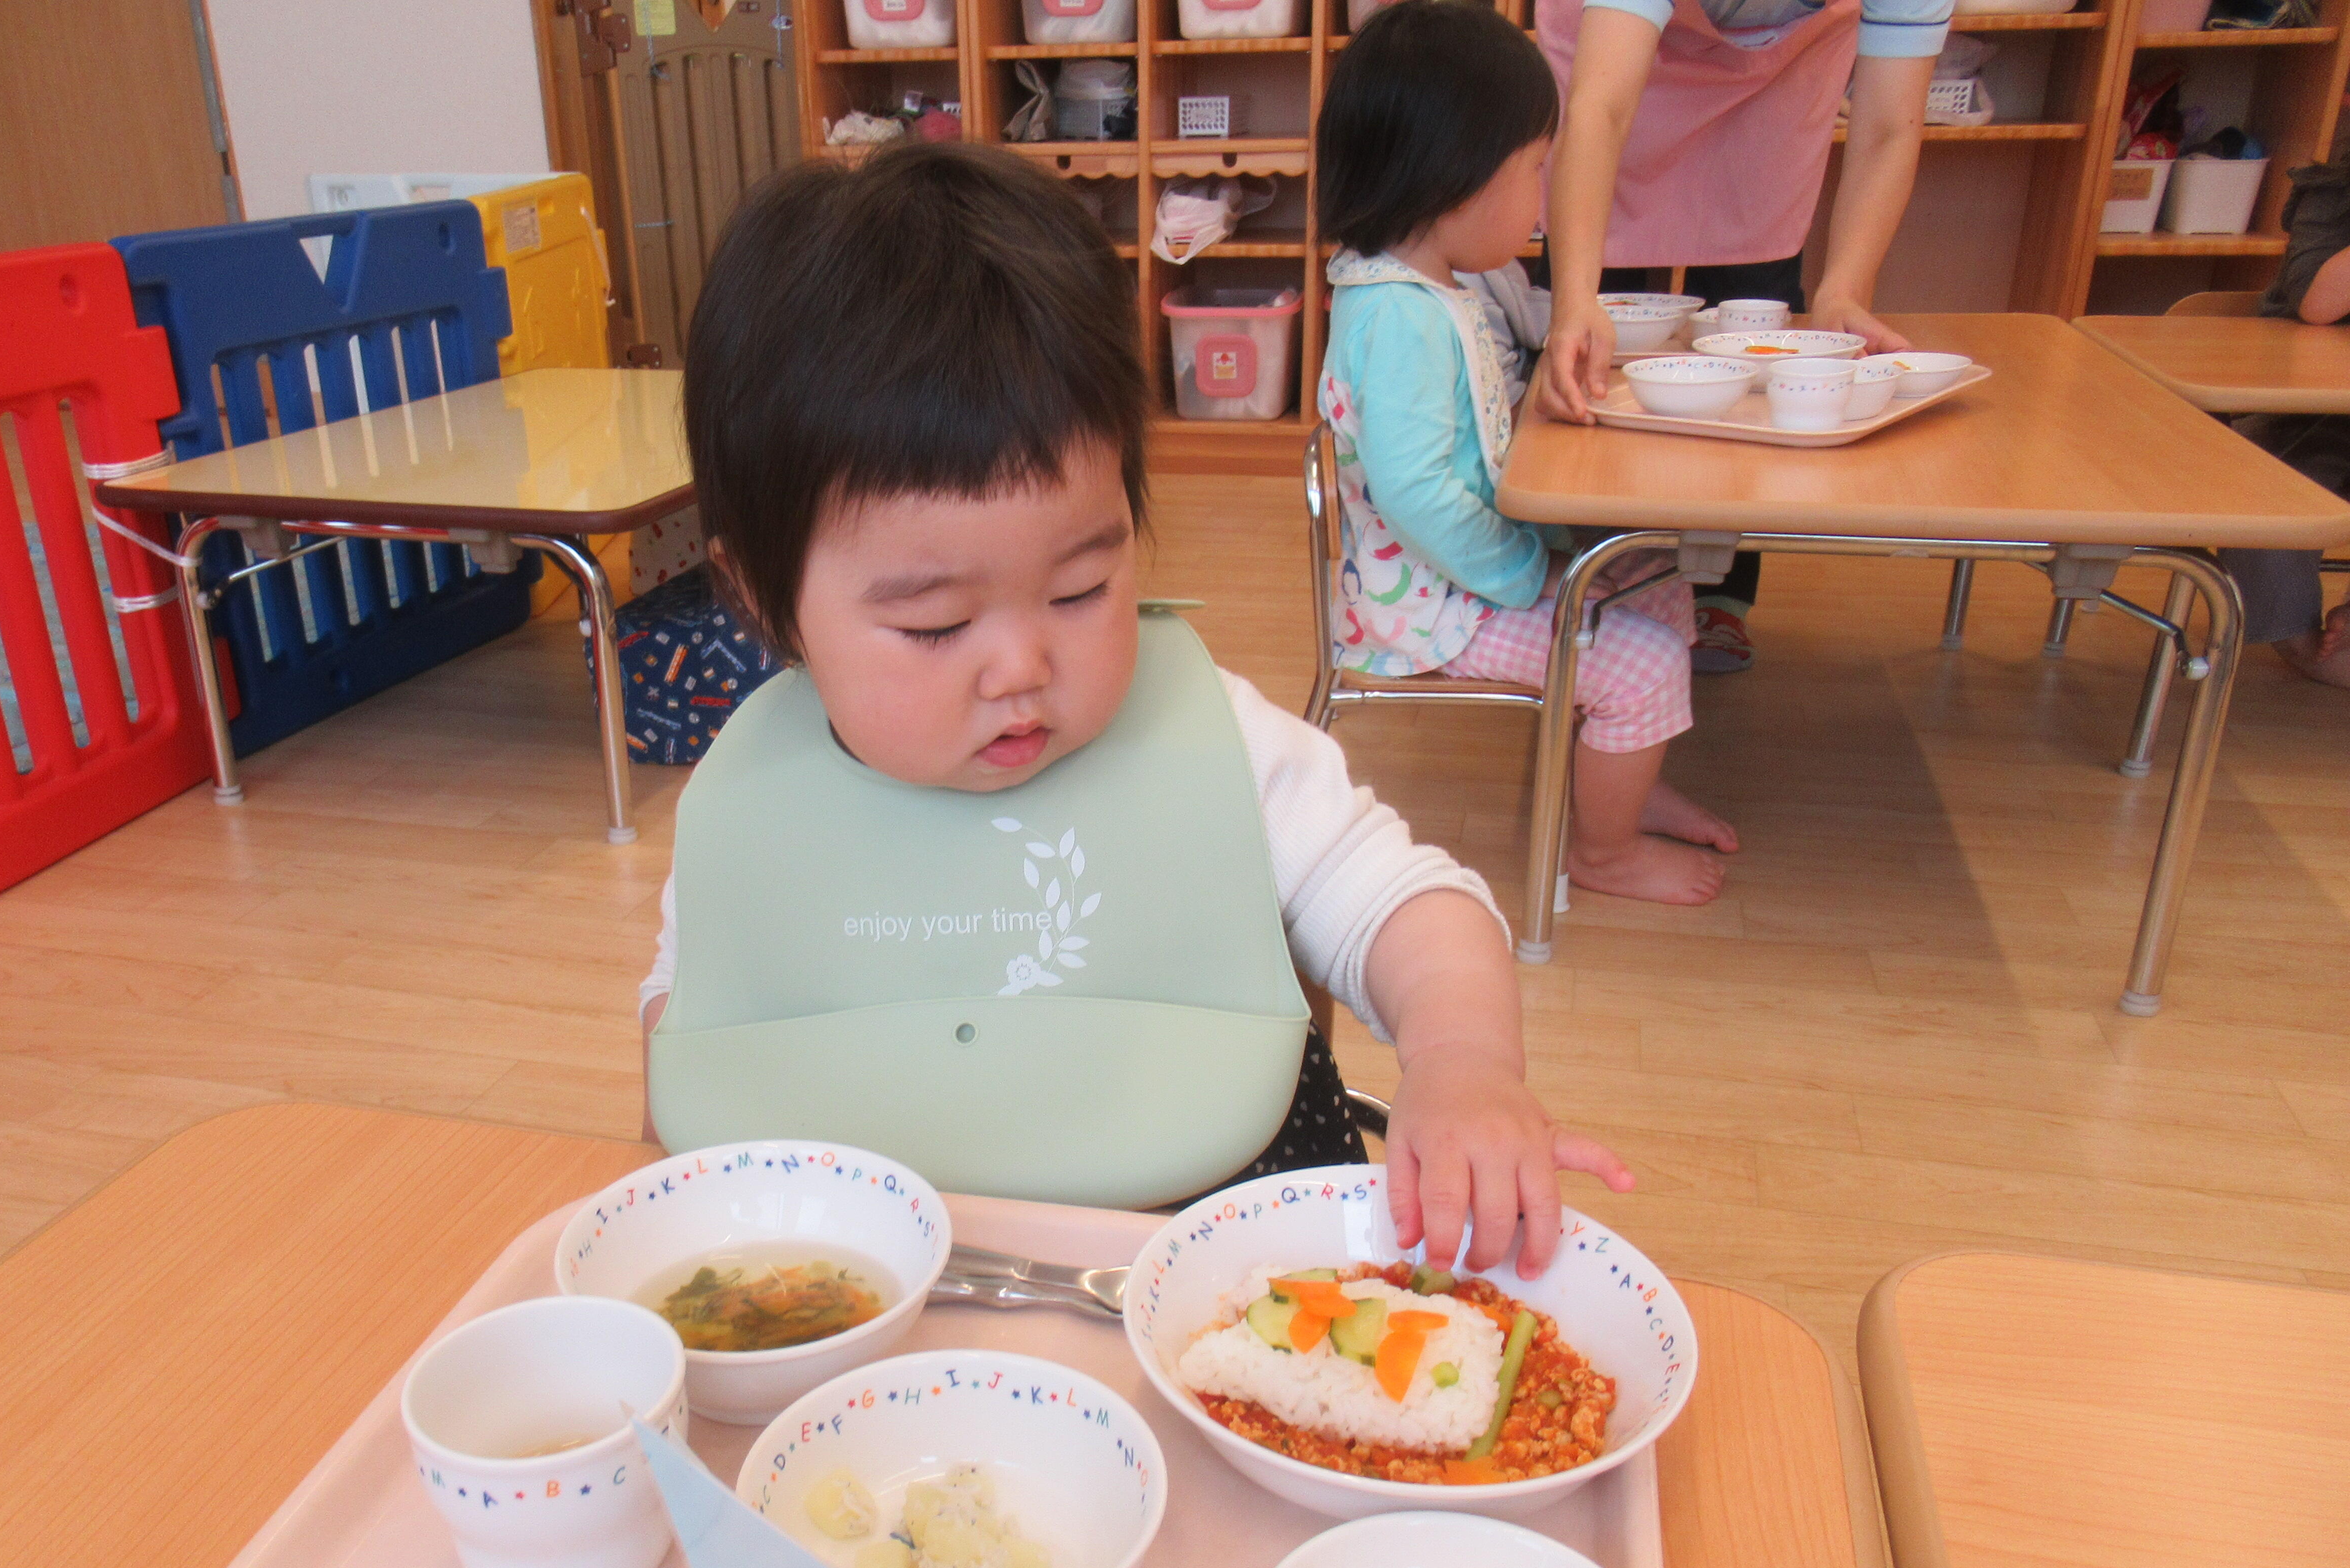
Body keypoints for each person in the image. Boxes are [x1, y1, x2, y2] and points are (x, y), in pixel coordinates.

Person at [637, 141, 1631, 1275]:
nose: (1020, 664)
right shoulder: (755, 801)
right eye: (933, 626)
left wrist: (1463, 1064)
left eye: (1080, 588)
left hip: (1230, 1289)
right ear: (766, 597)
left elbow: (1407, 902)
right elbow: (694, 1017)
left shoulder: (1212, 738)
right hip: (883, 1300)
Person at [1315, 0, 1739, 910]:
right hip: (1433, 609)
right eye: (1534, 170)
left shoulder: (1436, 281)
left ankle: (1619, 767)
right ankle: (1603, 849)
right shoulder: (1394, 316)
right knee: (1648, 661)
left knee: (1654, 577)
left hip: (1463, 572)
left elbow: (1475, 396)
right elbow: (1416, 489)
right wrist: (1521, 568)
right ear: (1454, 181)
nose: (1545, 193)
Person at [1535, 0, 1949, 671]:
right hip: (1611, 63)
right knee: (1596, 339)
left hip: (1777, 81)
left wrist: (1842, 291)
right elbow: (1601, 109)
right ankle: (1588, 570)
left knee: (1755, 324)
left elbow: (1887, 131)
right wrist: (1574, 298)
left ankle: (1720, 590)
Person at [2220, 154, 2350, 687]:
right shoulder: (2331, 191)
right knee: (2269, 497)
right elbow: (2318, 304)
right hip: (2307, 415)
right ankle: (2295, 635)